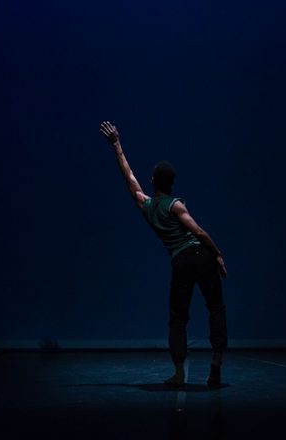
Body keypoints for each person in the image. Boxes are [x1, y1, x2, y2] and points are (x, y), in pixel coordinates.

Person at [99, 121, 228, 387]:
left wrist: (116, 145)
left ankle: (179, 373)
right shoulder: (176, 205)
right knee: (215, 308)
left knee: (178, 317)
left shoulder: (147, 205)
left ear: (154, 181)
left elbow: (129, 177)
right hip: (200, 256)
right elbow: (200, 232)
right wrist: (217, 254)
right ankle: (216, 365)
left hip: (180, 260)